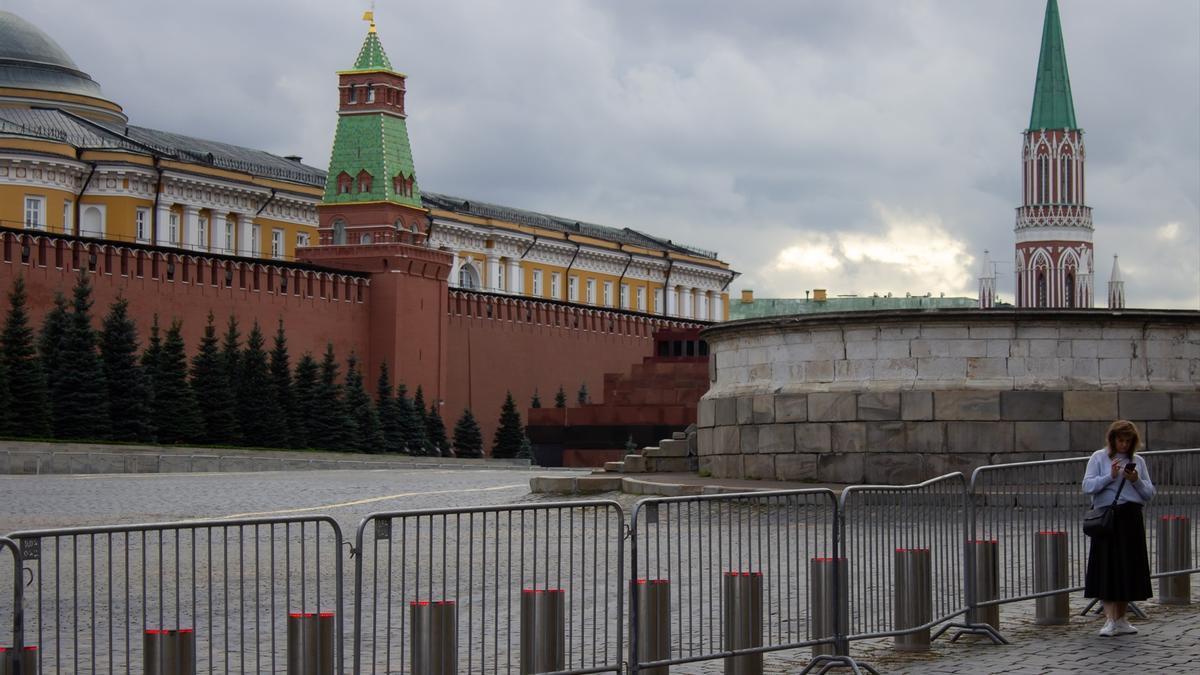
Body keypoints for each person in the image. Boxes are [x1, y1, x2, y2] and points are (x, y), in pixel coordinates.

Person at [1082, 419, 1155, 637]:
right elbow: (1087, 485)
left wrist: (1136, 480)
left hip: (1130, 517)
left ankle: (1121, 618)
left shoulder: (1138, 461)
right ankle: (1110, 619)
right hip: (1108, 518)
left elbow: (1149, 493)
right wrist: (1110, 477)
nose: (1123, 445)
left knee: (1127, 568)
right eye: (1120, 440)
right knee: (1106, 567)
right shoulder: (1098, 457)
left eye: (1127, 441)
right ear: (1112, 439)